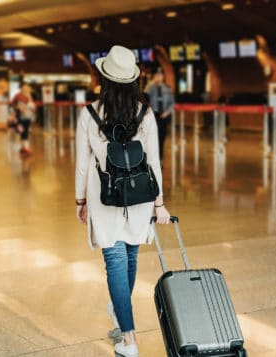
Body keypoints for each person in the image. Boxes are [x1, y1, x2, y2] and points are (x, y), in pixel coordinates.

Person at [75, 45, 171, 357]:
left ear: (104, 77)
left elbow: (81, 162)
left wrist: (80, 200)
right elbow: (154, 163)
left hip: (104, 196)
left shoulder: (89, 113)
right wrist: (159, 205)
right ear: (133, 81)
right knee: (129, 257)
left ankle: (129, 339)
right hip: (140, 195)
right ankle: (121, 311)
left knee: (115, 260)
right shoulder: (144, 112)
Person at [145, 68, 175, 161]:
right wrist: (152, 83)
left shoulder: (167, 88)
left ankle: (160, 157)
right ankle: (152, 157)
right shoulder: (150, 88)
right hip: (154, 116)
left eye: (160, 75)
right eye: (156, 75)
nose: (158, 77)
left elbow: (172, 103)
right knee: (152, 137)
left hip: (164, 116)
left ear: (163, 77)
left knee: (162, 137)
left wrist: (167, 112)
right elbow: (144, 97)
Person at [11, 84, 36, 157]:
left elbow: (32, 106)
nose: (26, 90)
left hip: (28, 116)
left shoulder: (30, 96)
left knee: (25, 131)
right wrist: (18, 108)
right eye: (24, 88)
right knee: (24, 132)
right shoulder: (18, 96)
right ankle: (26, 148)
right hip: (21, 117)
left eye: (27, 88)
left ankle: (23, 148)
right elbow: (13, 104)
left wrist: (33, 107)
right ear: (22, 89)